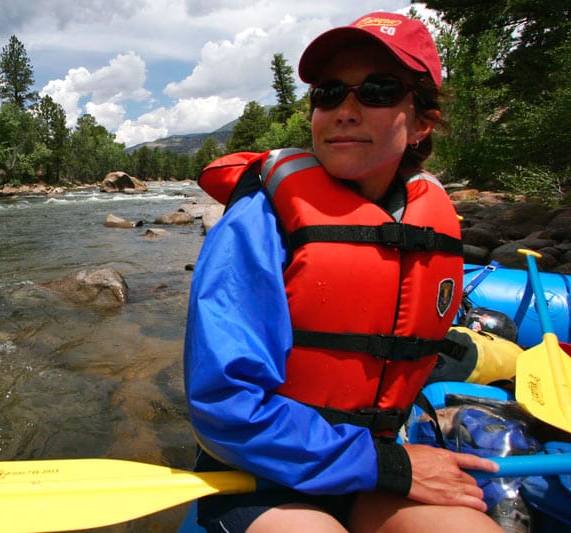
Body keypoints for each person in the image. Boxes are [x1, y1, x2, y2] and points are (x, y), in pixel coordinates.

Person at [183, 11, 503, 532]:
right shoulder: (261, 219)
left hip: (373, 467)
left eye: (377, 91)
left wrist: (386, 462)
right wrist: (389, 465)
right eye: (329, 93)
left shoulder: (428, 218)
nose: (345, 111)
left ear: (421, 122)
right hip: (263, 475)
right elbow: (225, 406)